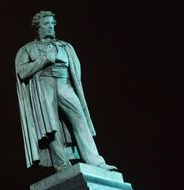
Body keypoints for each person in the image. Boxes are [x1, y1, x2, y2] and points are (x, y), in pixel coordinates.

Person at [15, 11, 117, 173]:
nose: (51, 26)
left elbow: (75, 70)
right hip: (44, 84)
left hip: (64, 83)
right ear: (38, 27)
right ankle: (62, 166)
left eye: (52, 23)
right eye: (46, 23)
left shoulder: (65, 46)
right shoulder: (28, 49)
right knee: (51, 126)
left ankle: (96, 162)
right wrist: (44, 59)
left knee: (79, 119)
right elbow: (22, 72)